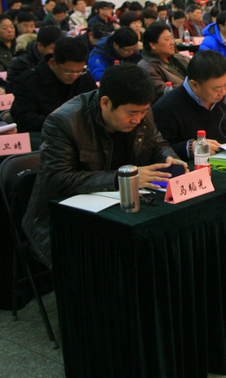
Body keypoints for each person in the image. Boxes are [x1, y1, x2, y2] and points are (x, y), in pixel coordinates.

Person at [22, 64, 184, 267]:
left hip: (122, 205)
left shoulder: (140, 111)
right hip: (64, 220)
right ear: (105, 103)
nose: (137, 119)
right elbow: (59, 179)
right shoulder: (63, 121)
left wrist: (170, 159)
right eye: (132, 113)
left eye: (143, 112)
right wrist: (122, 179)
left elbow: (157, 144)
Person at [152, 50, 226, 160]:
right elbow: (160, 151)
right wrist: (190, 148)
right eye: (217, 89)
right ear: (195, 85)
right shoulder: (166, 108)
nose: (223, 92)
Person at [11, 37, 96, 132]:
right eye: (68, 72)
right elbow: (23, 118)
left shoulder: (85, 77)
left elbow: (95, 105)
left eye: (79, 71)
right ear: (52, 62)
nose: (74, 76)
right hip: (43, 134)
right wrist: (61, 124)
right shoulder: (28, 82)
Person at [138, 23, 190, 100]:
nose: (172, 42)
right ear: (153, 45)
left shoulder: (180, 58)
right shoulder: (146, 67)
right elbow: (164, 91)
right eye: (167, 39)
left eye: (171, 38)